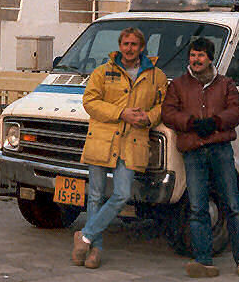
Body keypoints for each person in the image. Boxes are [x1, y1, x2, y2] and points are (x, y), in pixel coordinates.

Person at [72, 27, 168, 269]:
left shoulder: (157, 76)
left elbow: (162, 105)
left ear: (142, 47)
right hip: (103, 140)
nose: (129, 48)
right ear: (119, 45)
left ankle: (84, 235)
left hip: (132, 143)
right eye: (125, 43)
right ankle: (95, 249)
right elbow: (90, 102)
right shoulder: (103, 72)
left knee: (122, 194)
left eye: (134, 44)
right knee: (95, 195)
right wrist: (121, 113)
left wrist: (148, 118)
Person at [160, 37, 239, 279]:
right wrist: (190, 123)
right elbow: (168, 112)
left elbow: (237, 110)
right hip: (192, 151)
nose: (196, 59)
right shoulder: (178, 85)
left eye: (201, 55)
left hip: (220, 150)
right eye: (193, 55)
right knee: (197, 207)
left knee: (232, 205)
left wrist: (215, 122)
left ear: (210, 58)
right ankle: (203, 260)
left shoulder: (225, 84)